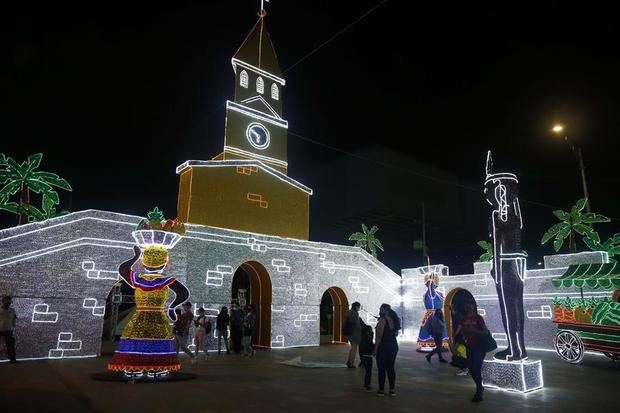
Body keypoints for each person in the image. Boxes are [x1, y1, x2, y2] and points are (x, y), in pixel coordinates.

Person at [455, 303, 489, 403]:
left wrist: (474, 329)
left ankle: (479, 392)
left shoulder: (478, 318)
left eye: (469, 306)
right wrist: (462, 333)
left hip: (479, 347)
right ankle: (480, 386)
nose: (468, 308)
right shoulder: (464, 319)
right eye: (466, 307)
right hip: (469, 346)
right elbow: (459, 331)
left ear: (473, 308)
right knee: (471, 368)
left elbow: (485, 332)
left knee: (476, 368)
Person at [374, 303, 400, 397]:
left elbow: (379, 337)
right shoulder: (394, 319)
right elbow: (395, 333)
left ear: (384, 310)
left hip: (383, 347)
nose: (379, 310)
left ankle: (381, 390)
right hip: (393, 346)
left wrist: (375, 350)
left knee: (381, 368)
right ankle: (392, 390)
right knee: (391, 368)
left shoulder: (382, 320)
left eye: (381, 309)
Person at [0, 295, 17, 363]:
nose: (8, 302)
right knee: (10, 345)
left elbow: (14, 319)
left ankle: (12, 359)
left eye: (9, 300)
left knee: (11, 346)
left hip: (8, 330)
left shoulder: (12, 310)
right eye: (6, 300)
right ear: (3, 301)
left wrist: (13, 326)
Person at [344, 302, 361, 368]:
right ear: (356, 306)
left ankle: (349, 361)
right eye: (359, 306)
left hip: (348, 332)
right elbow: (357, 324)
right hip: (354, 332)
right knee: (354, 348)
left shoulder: (348, 312)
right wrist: (360, 327)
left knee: (352, 347)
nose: (359, 308)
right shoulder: (355, 313)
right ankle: (351, 363)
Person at [359, 320, 374, 392]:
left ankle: (366, 384)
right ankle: (368, 385)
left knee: (367, 371)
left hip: (364, 356)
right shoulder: (369, 340)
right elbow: (371, 346)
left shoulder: (362, 339)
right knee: (369, 371)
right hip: (368, 356)